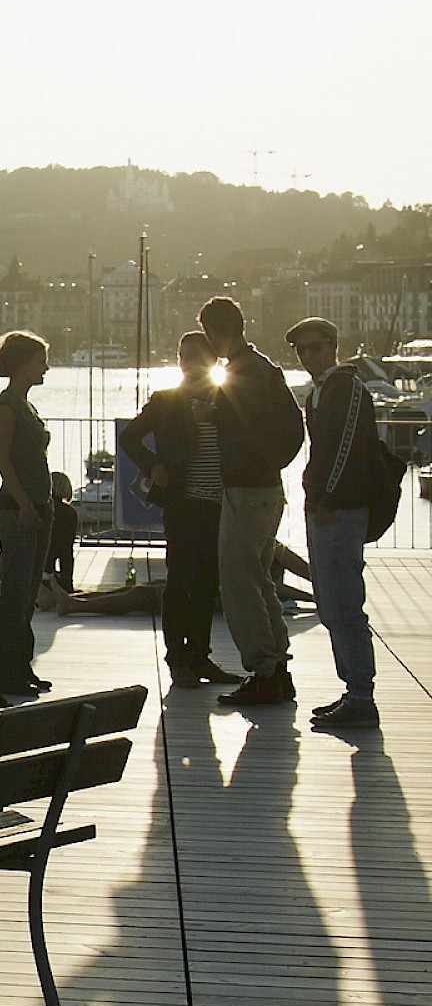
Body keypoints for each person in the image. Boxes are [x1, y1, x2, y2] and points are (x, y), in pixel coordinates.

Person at [117, 331, 241, 688]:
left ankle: (200, 657)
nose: (187, 363)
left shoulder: (228, 400)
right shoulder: (166, 400)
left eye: (195, 356)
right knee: (180, 582)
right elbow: (129, 437)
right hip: (183, 501)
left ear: (212, 360)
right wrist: (152, 465)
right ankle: (177, 659)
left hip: (219, 503)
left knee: (207, 584)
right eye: (182, 356)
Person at [198, 296, 305, 709]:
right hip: (266, 489)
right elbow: (287, 430)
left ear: (213, 332)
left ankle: (265, 671)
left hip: (246, 490)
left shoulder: (241, 373)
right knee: (259, 580)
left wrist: (212, 417)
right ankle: (277, 667)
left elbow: (242, 427)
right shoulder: (264, 369)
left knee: (239, 584)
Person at [286, 316, 381, 729]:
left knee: (344, 604)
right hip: (325, 509)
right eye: (301, 350)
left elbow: (344, 449)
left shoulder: (346, 387)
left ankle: (361, 697)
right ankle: (353, 691)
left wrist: (324, 499)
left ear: (333, 345)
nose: (308, 355)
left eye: (316, 347)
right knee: (331, 603)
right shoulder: (321, 390)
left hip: (339, 510)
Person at [0, 330, 53, 699]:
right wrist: (24, 503)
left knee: (28, 594)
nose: (46, 368)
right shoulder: (7, 407)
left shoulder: (26, 406)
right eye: (41, 361)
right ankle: (3, 672)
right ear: (24, 364)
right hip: (17, 511)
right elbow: (3, 460)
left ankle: (21, 666)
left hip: (39, 508)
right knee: (14, 593)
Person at [47, 472, 78, 593]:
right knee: (66, 552)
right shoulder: (70, 513)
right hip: (62, 551)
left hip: (45, 554)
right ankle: (67, 584)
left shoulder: (44, 510)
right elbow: (68, 545)